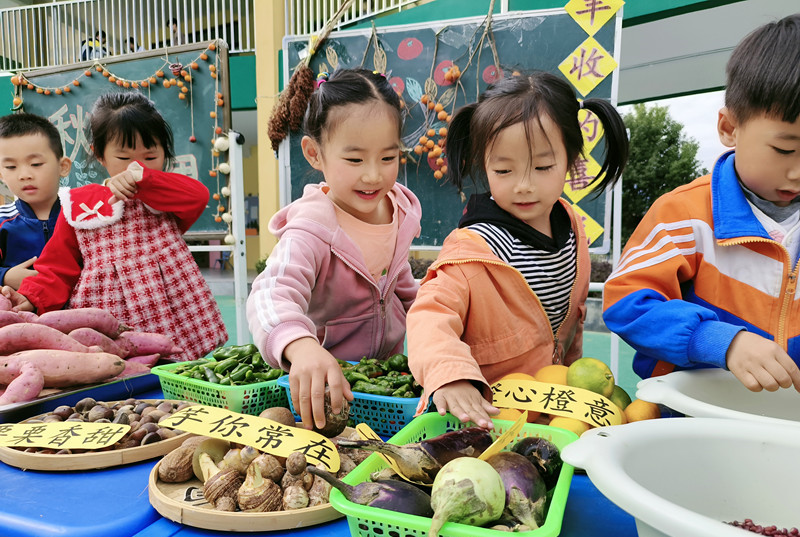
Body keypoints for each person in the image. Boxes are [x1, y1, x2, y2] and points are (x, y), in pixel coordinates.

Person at [406, 72, 629, 429]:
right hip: (485, 419)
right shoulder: (473, 250)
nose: (524, 185)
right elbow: (428, 316)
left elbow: (568, 326)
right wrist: (450, 374)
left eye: (542, 167)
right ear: (484, 164)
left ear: (571, 160)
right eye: (504, 170)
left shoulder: (572, 229)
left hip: (555, 413)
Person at [603, 14, 800, 394]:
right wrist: (719, 341)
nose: (797, 172)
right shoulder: (684, 215)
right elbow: (626, 301)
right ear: (729, 128)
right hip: (691, 416)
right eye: (785, 149)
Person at [247, 68, 422, 430]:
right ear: (315, 153)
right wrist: (301, 346)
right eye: (355, 160)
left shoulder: (400, 212)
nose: (374, 175)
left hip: (382, 387)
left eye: (388, 158)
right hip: (323, 391)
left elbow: (400, 283)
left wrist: (441, 316)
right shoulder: (312, 228)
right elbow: (270, 293)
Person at [1, 92, 228, 360]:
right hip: (109, 315)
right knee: (118, 373)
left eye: (150, 156)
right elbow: (58, 267)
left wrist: (147, 180)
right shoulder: (80, 204)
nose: (136, 167)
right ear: (100, 157)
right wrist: (32, 296)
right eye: (124, 158)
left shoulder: (166, 196)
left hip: (172, 309)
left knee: (181, 368)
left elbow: (198, 196)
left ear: (165, 153)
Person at [0, 113, 71, 290]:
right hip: (16, 315)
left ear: (63, 167)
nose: (24, 175)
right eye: (11, 167)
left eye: (36, 164)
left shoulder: (81, 218)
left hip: (78, 313)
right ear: (1, 175)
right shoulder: (2, 220)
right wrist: (5, 276)